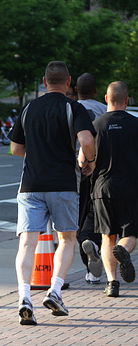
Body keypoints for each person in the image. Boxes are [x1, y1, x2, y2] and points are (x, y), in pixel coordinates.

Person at [9, 61, 96, 326]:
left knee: (27, 243)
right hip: (63, 184)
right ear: (68, 82)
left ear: (45, 82)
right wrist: (88, 161)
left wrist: (36, 152)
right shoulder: (74, 108)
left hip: (31, 185)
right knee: (67, 238)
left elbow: (15, 148)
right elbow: (86, 140)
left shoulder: (29, 108)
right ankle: (55, 291)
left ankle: (25, 298)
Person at [91, 81, 138, 297]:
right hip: (130, 187)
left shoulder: (95, 125)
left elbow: (84, 159)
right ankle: (124, 250)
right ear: (127, 101)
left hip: (102, 189)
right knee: (130, 233)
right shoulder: (135, 124)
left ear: (106, 99)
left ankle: (112, 283)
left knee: (107, 237)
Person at [76, 73, 107, 284]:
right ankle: (94, 246)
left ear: (76, 89)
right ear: (96, 91)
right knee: (95, 214)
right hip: (98, 169)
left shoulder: (70, 109)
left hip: (74, 172)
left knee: (78, 218)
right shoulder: (104, 111)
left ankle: (89, 268)